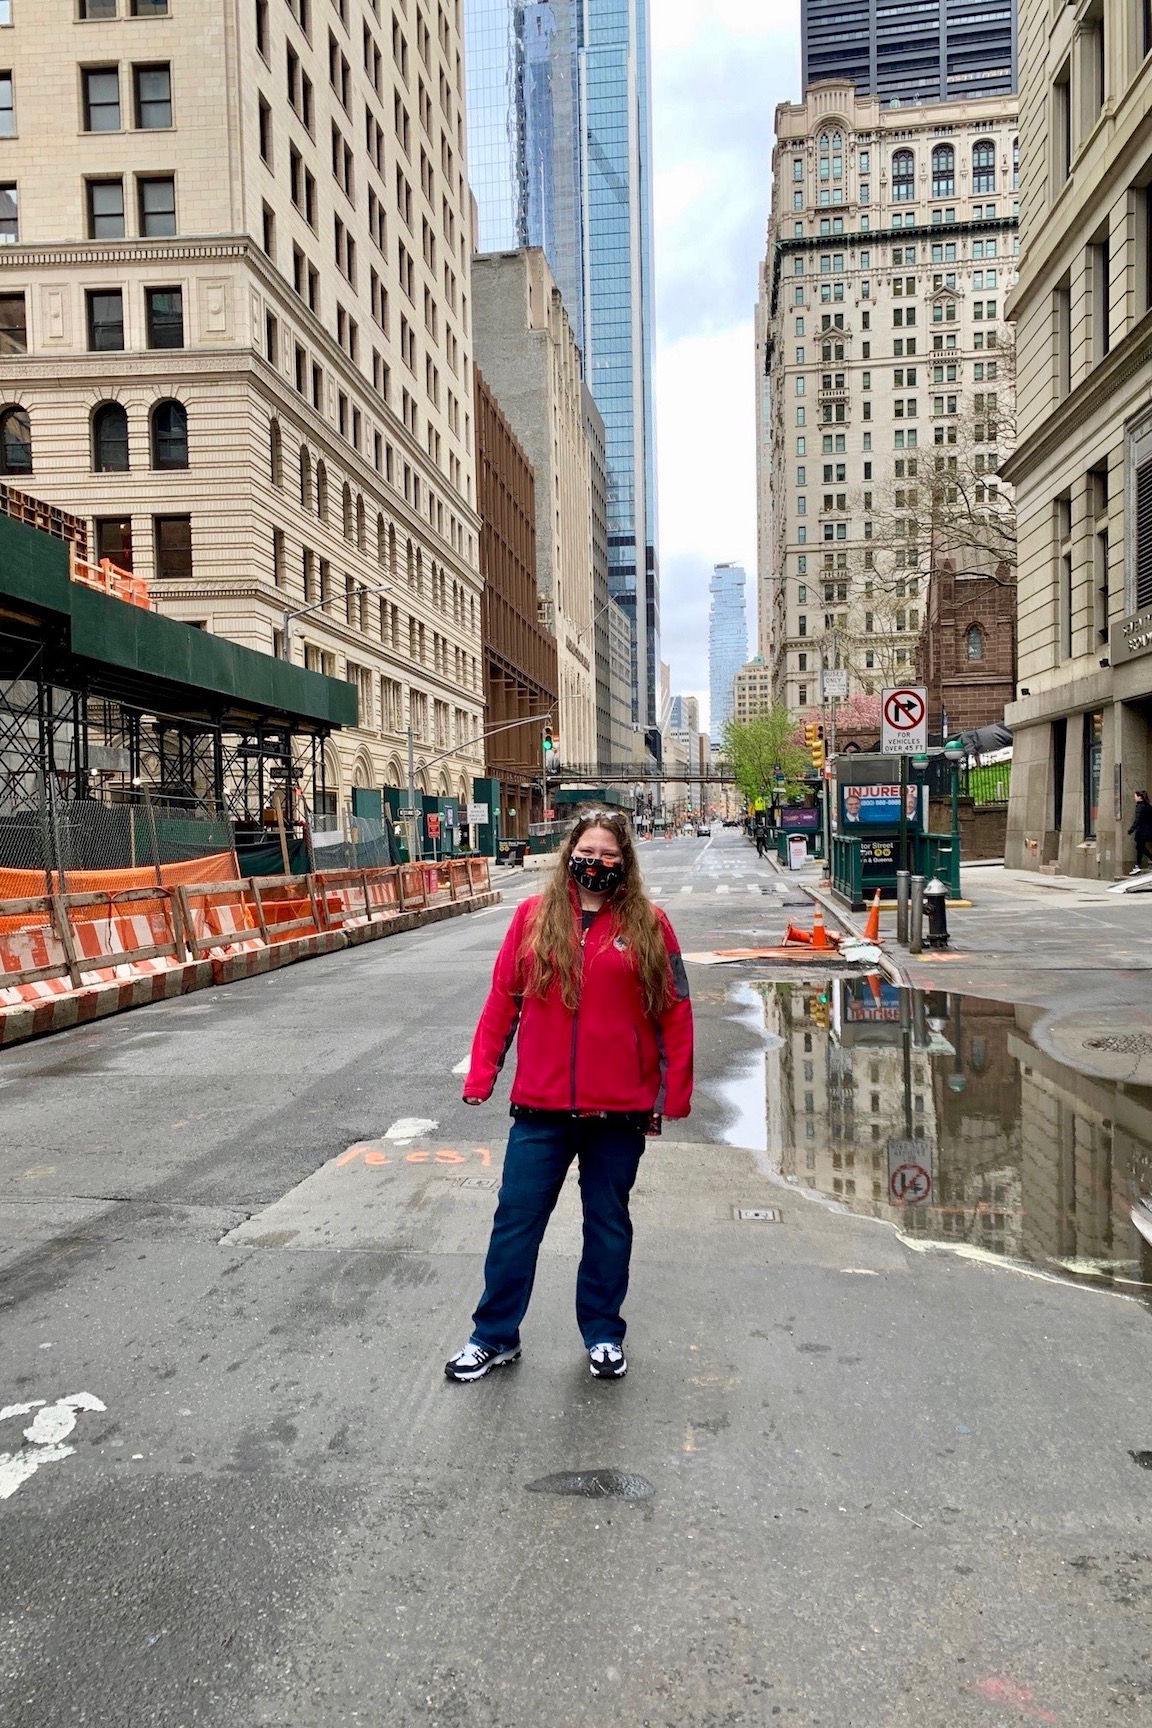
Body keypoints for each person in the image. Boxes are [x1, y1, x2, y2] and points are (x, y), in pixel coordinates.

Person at [445, 811, 694, 1384]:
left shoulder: (652, 925)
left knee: (607, 1224)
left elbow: (674, 1011)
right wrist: (482, 1074)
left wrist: (671, 1093)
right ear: (569, 854)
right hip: (541, 1108)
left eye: (609, 853)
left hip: (619, 1111)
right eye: (588, 850)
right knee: (516, 1220)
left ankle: (604, 1333)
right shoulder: (532, 919)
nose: (597, 862)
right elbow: (502, 1000)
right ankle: (493, 1335)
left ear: (624, 861)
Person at [1129, 790, 1152, 874]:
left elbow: (1137, 820)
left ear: (1139, 797)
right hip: (1147, 830)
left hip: (1142, 831)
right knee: (1140, 848)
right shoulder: (1148, 806)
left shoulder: (1140, 806)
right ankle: (1137, 865)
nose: (1134, 798)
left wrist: (1131, 829)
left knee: (1140, 848)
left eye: (1135, 796)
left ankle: (1138, 865)